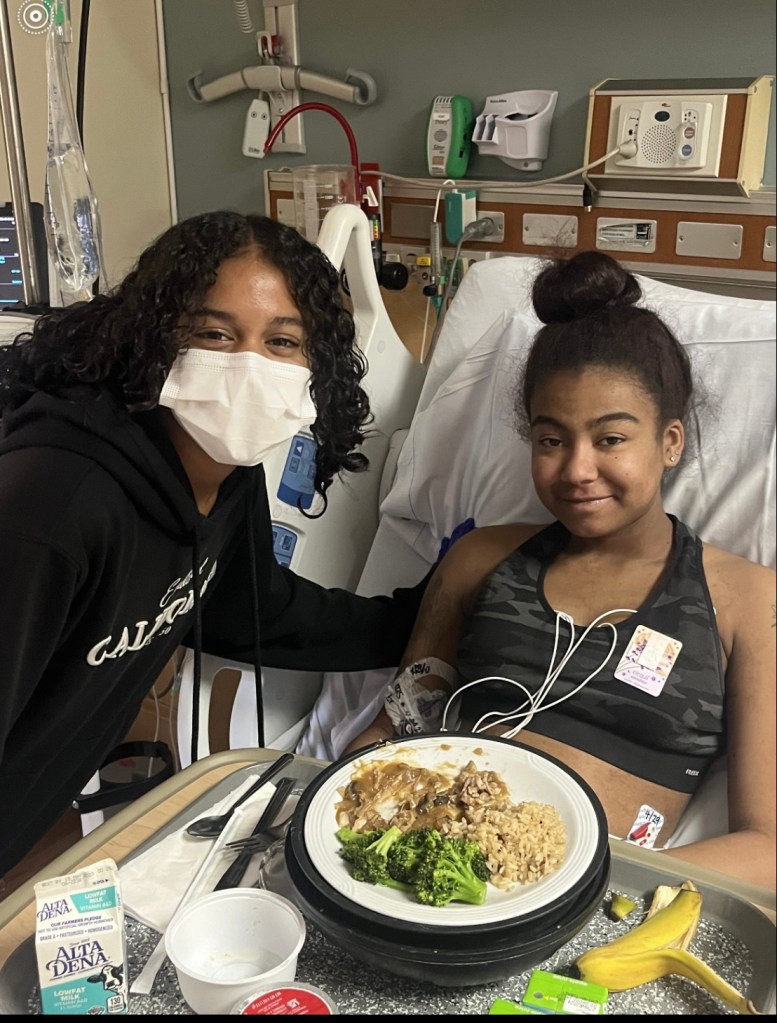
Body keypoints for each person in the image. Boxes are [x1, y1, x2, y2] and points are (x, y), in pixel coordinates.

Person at [0, 210, 430, 879]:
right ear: (153, 337)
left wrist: (426, 621)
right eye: (214, 334)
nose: (248, 366)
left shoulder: (226, 478)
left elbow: (253, 613)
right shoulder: (52, 509)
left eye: (282, 341)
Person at [346, 250, 776, 891]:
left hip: (602, 900)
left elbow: (768, 848)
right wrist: (340, 825)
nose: (576, 469)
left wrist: (588, 883)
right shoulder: (480, 561)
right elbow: (399, 729)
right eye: (551, 440)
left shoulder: (746, 601)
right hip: (426, 871)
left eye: (610, 439)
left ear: (670, 442)